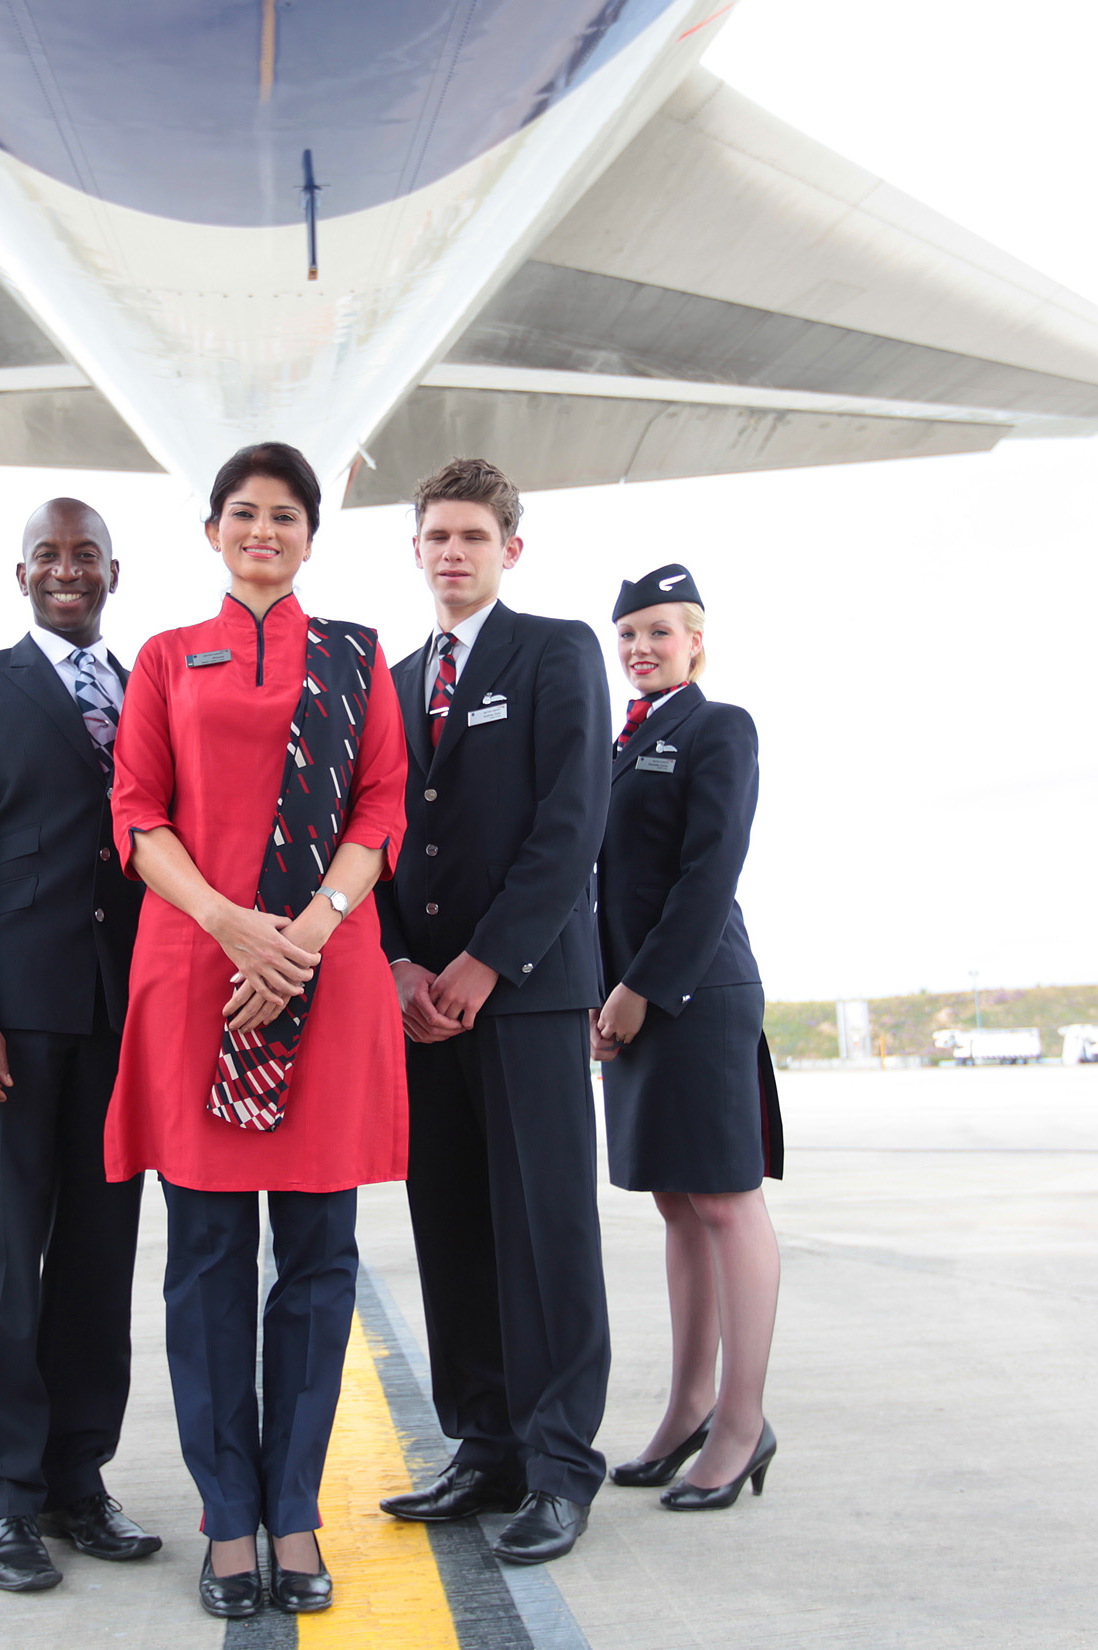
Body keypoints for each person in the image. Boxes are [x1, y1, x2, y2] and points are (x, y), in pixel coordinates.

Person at [102, 442, 408, 1619]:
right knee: (208, 1264)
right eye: (243, 512)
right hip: (199, 975)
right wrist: (233, 924)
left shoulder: (356, 658)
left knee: (320, 1264)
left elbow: (380, 806)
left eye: (284, 514)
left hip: (324, 979)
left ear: (311, 536)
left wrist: (309, 932)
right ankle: (228, 1516)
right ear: (213, 530)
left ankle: (294, 1511)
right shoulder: (166, 658)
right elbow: (137, 814)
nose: (262, 530)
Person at [0, 498, 159, 1593]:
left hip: (119, 1017)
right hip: (5, 1023)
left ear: (112, 572)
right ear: (21, 576)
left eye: (85, 555)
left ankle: (74, 1478)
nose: (67, 570)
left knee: (99, 1260)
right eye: (48, 557)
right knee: (0, 1260)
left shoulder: (147, 691)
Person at [375, 457, 613, 1565]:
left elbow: (571, 821)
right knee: (454, 1227)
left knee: (544, 1230)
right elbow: (377, 829)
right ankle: (487, 1446)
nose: (454, 552)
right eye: (438, 536)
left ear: (508, 550)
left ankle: (560, 1466)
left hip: (522, 995)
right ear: (416, 550)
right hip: (422, 1006)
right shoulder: (393, 676)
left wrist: (485, 962)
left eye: (473, 536)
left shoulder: (555, 651)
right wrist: (395, 963)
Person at [592, 566, 785, 1510]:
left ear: (696, 642)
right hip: (630, 998)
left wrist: (638, 990)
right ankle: (687, 1410)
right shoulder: (617, 745)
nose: (640, 648)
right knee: (676, 1205)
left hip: (695, 992)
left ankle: (742, 1425)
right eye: (628, 634)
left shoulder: (719, 729)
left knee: (724, 1202)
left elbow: (710, 872)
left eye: (659, 632)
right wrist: (600, 996)